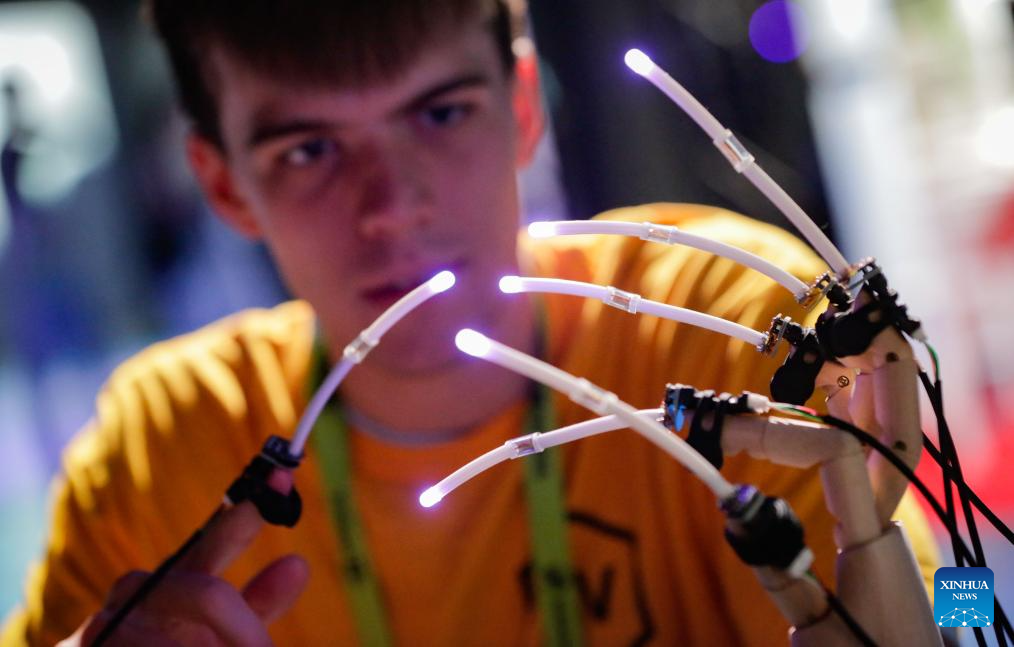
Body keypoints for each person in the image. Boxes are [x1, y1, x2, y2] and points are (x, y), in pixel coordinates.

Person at [1, 1, 940, 645]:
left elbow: (959, 609)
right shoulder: (163, 450)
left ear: (523, 107)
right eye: (311, 149)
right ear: (222, 184)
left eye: (441, 113)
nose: (392, 206)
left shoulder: (729, 321)